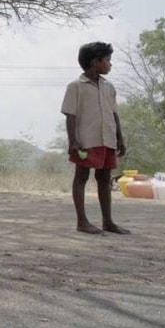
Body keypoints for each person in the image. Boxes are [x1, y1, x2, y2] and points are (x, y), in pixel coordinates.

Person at [61, 42, 130, 235]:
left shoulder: (109, 87)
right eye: (107, 60)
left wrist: (120, 138)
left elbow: (114, 114)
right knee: (81, 176)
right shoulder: (76, 86)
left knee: (105, 178)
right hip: (86, 140)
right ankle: (82, 221)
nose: (110, 64)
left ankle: (108, 221)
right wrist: (73, 141)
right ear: (94, 62)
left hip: (107, 138)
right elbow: (70, 115)